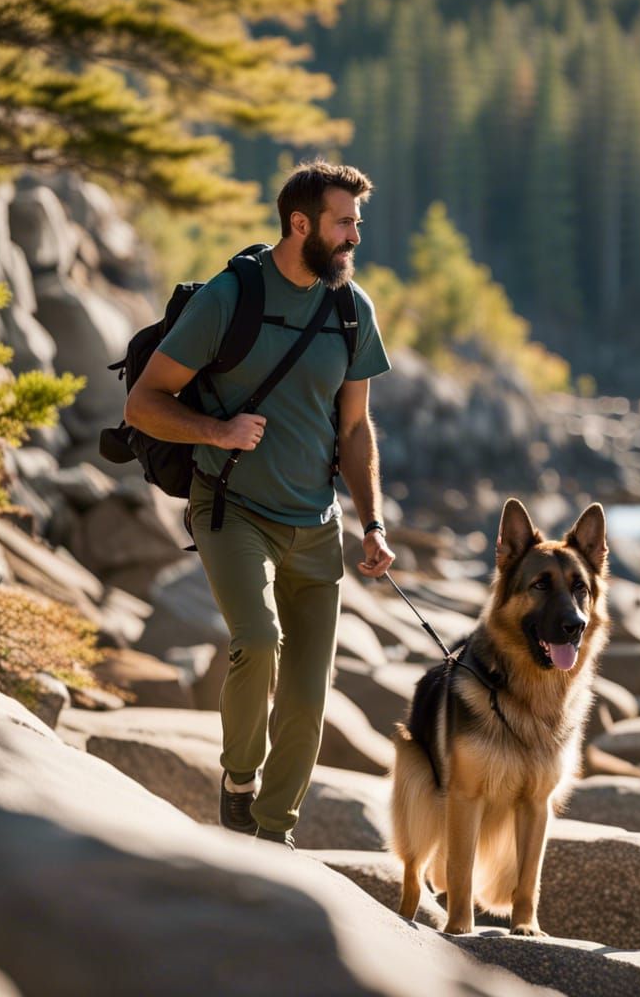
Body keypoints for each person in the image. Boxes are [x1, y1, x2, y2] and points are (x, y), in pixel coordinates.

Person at [125, 160, 395, 849]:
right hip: (231, 509)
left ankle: (271, 839)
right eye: (342, 223)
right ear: (299, 224)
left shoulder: (350, 310)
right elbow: (143, 404)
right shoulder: (231, 296)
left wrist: (372, 521)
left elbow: (356, 428)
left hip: (317, 527)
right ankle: (238, 778)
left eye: (356, 224)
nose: (353, 238)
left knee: (308, 700)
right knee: (256, 640)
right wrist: (217, 431)